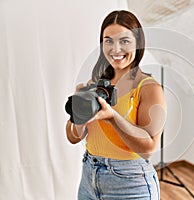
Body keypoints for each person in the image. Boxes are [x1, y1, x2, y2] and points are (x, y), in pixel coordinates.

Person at [65, 10, 166, 200]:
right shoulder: (95, 83)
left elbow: (148, 147)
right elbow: (72, 137)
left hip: (130, 183)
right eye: (108, 40)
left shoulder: (149, 88)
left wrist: (112, 116)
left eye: (124, 41)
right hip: (89, 177)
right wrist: (79, 112)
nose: (115, 48)